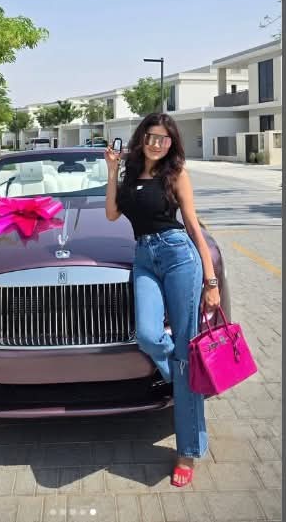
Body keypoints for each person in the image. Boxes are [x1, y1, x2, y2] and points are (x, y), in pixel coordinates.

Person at [104, 113, 220, 487]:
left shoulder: (176, 174)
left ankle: (187, 451)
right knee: (148, 334)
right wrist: (111, 171)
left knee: (185, 348)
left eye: (164, 139)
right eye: (152, 137)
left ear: (171, 143)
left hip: (178, 256)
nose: (157, 144)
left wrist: (211, 280)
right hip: (144, 258)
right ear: (142, 138)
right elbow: (111, 214)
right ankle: (187, 377)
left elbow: (193, 226)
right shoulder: (130, 174)